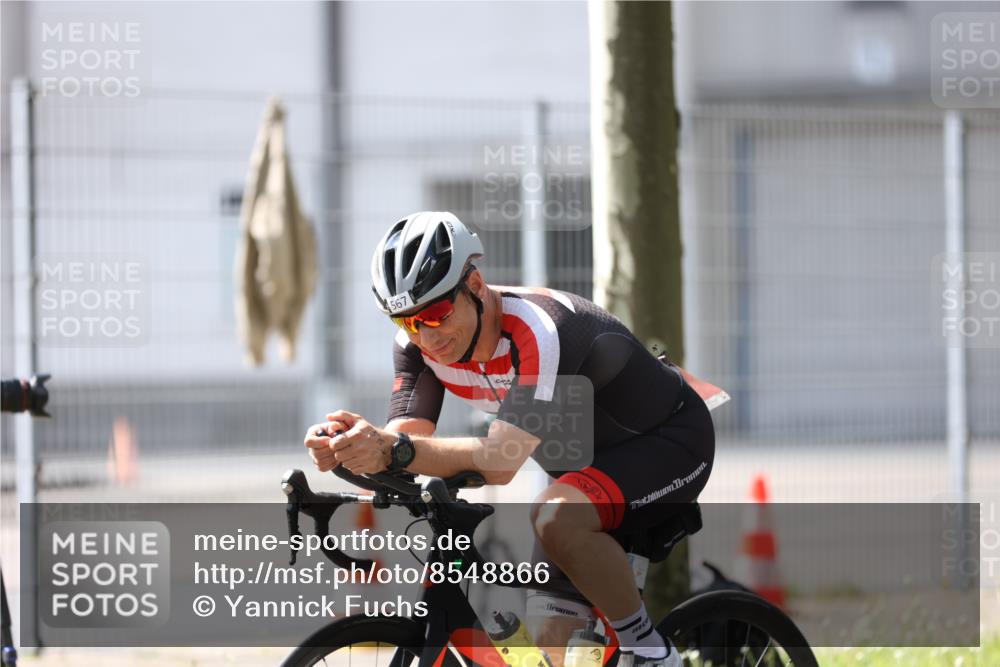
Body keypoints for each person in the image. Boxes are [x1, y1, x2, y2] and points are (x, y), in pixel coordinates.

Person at [304, 212, 715, 667]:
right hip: (579, 469)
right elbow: (405, 442)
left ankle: (653, 654)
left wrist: (391, 450)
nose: (427, 335)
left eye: (437, 312)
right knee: (550, 644)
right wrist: (351, 447)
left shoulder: (540, 328)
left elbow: (501, 461)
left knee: (556, 517)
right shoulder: (418, 347)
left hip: (668, 442)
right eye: (407, 321)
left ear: (475, 285)